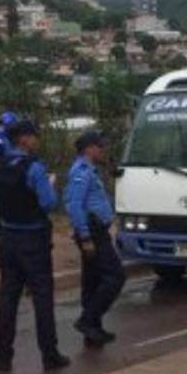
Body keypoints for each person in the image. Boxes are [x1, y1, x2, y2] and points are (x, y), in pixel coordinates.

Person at [0, 120, 69, 372]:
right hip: (33, 240)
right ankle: (49, 354)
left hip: (7, 239)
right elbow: (47, 204)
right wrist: (50, 185)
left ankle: (3, 356)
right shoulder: (33, 168)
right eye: (34, 136)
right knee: (42, 298)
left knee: (7, 299)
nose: (36, 140)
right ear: (23, 139)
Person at [64, 130, 125, 347]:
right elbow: (74, 205)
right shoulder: (81, 172)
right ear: (89, 148)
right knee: (115, 276)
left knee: (93, 281)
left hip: (95, 230)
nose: (103, 150)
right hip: (93, 233)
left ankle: (93, 329)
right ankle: (88, 320)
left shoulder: (90, 170)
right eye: (99, 146)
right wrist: (85, 236)